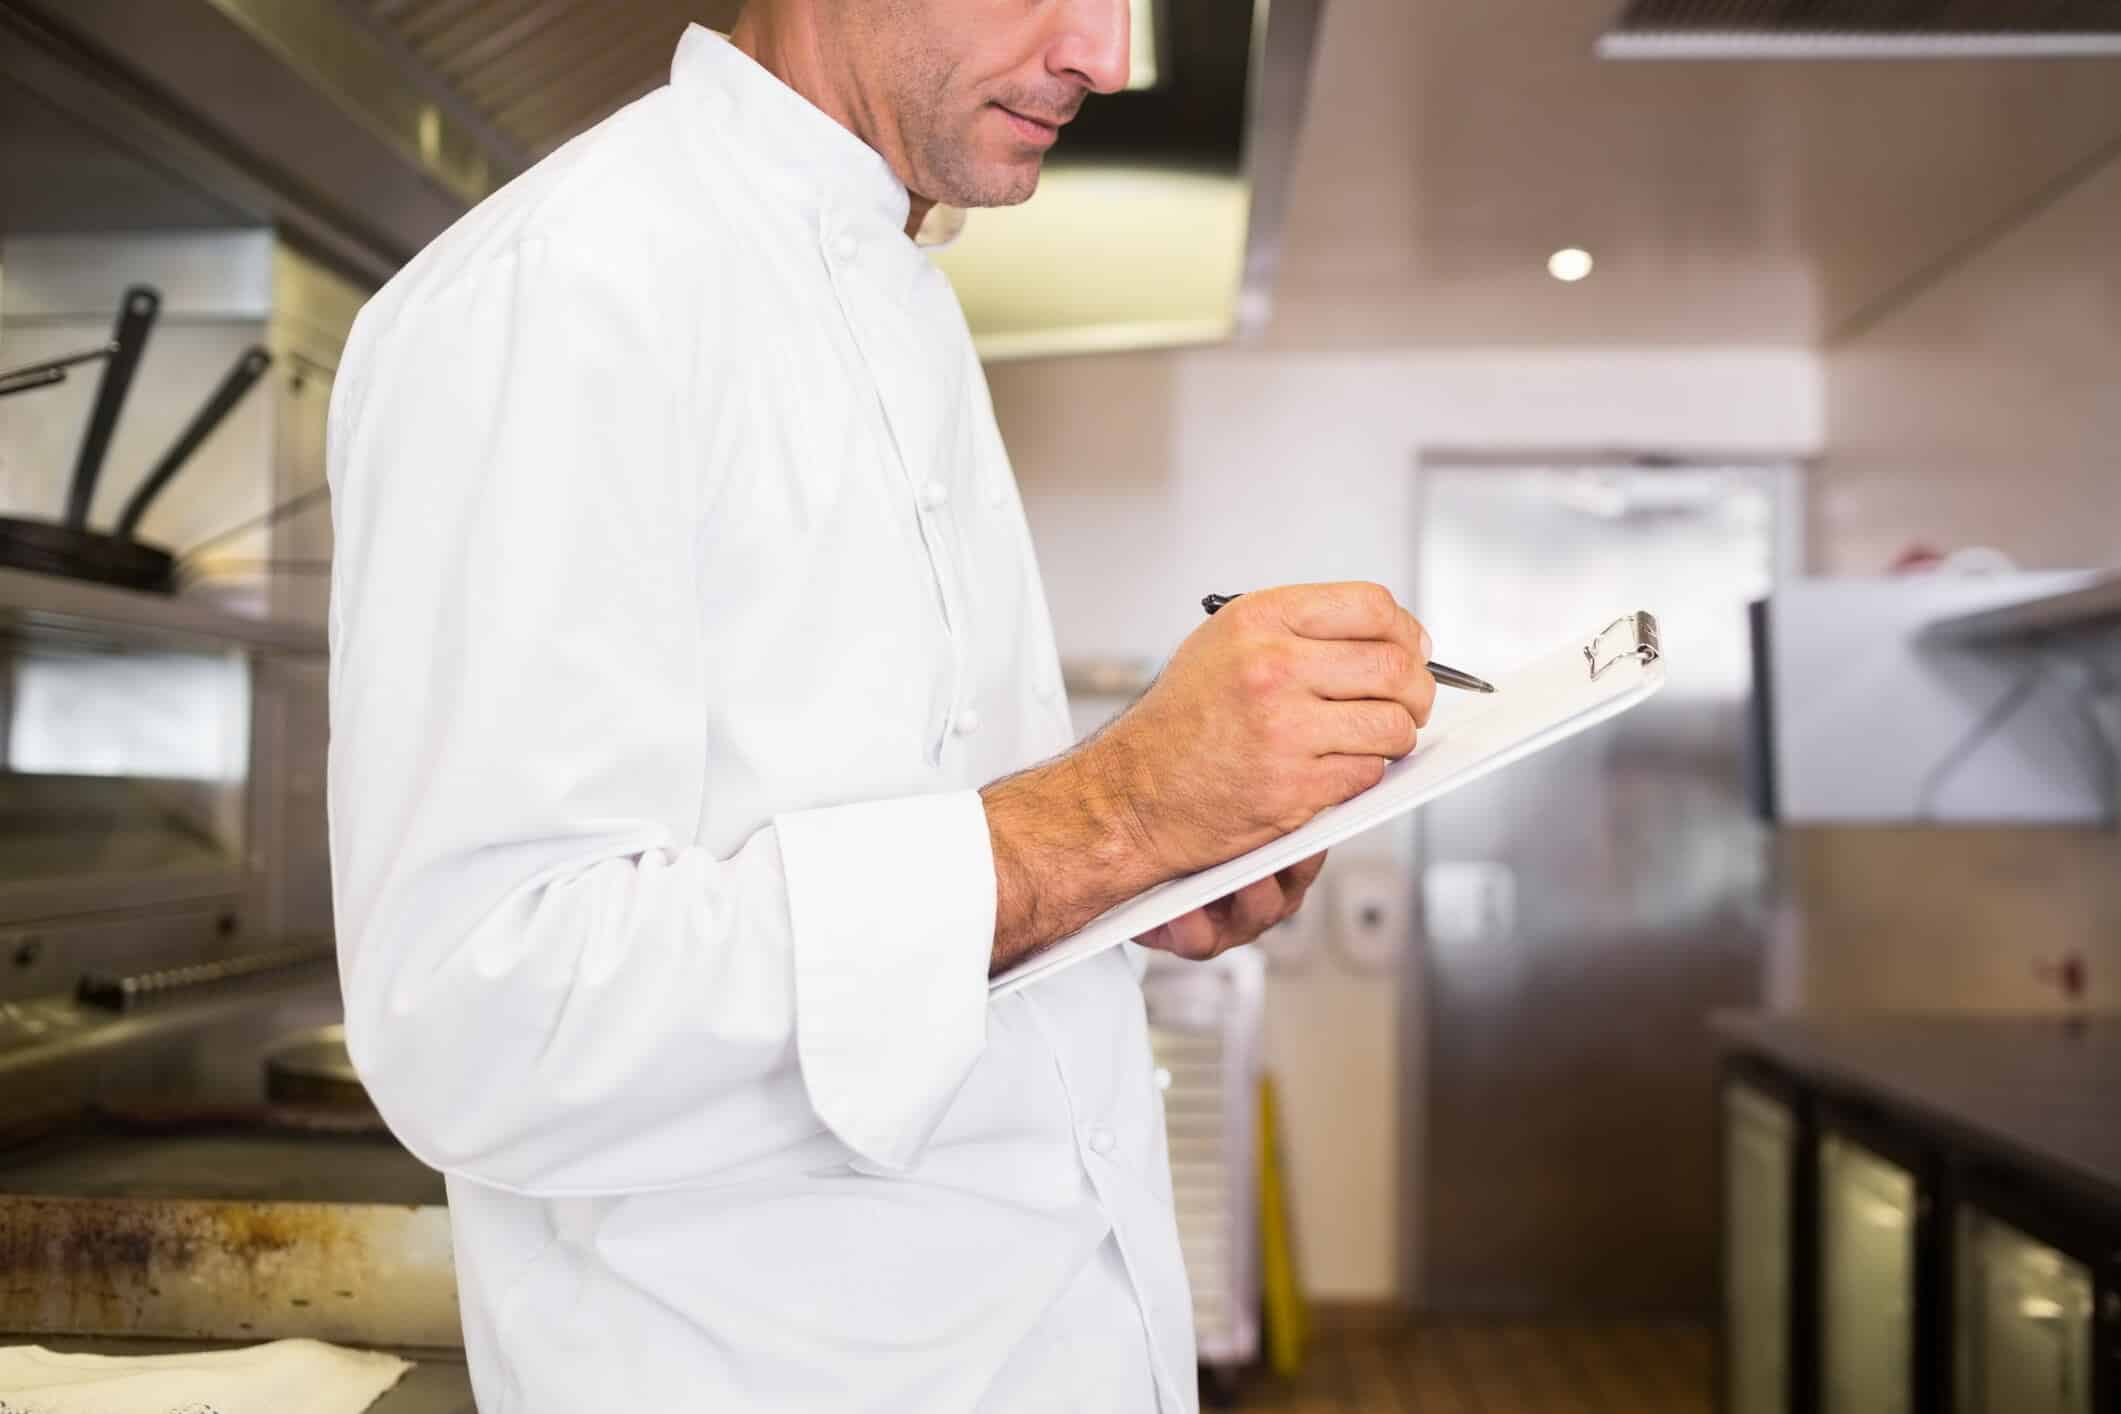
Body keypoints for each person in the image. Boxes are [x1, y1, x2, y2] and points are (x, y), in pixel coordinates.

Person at [325, 1, 1437, 1409]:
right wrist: (1116, 811)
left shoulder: (891, 281)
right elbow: (481, 1014)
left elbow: (915, 840)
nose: (1106, 55)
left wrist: (1143, 864)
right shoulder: (562, 291)